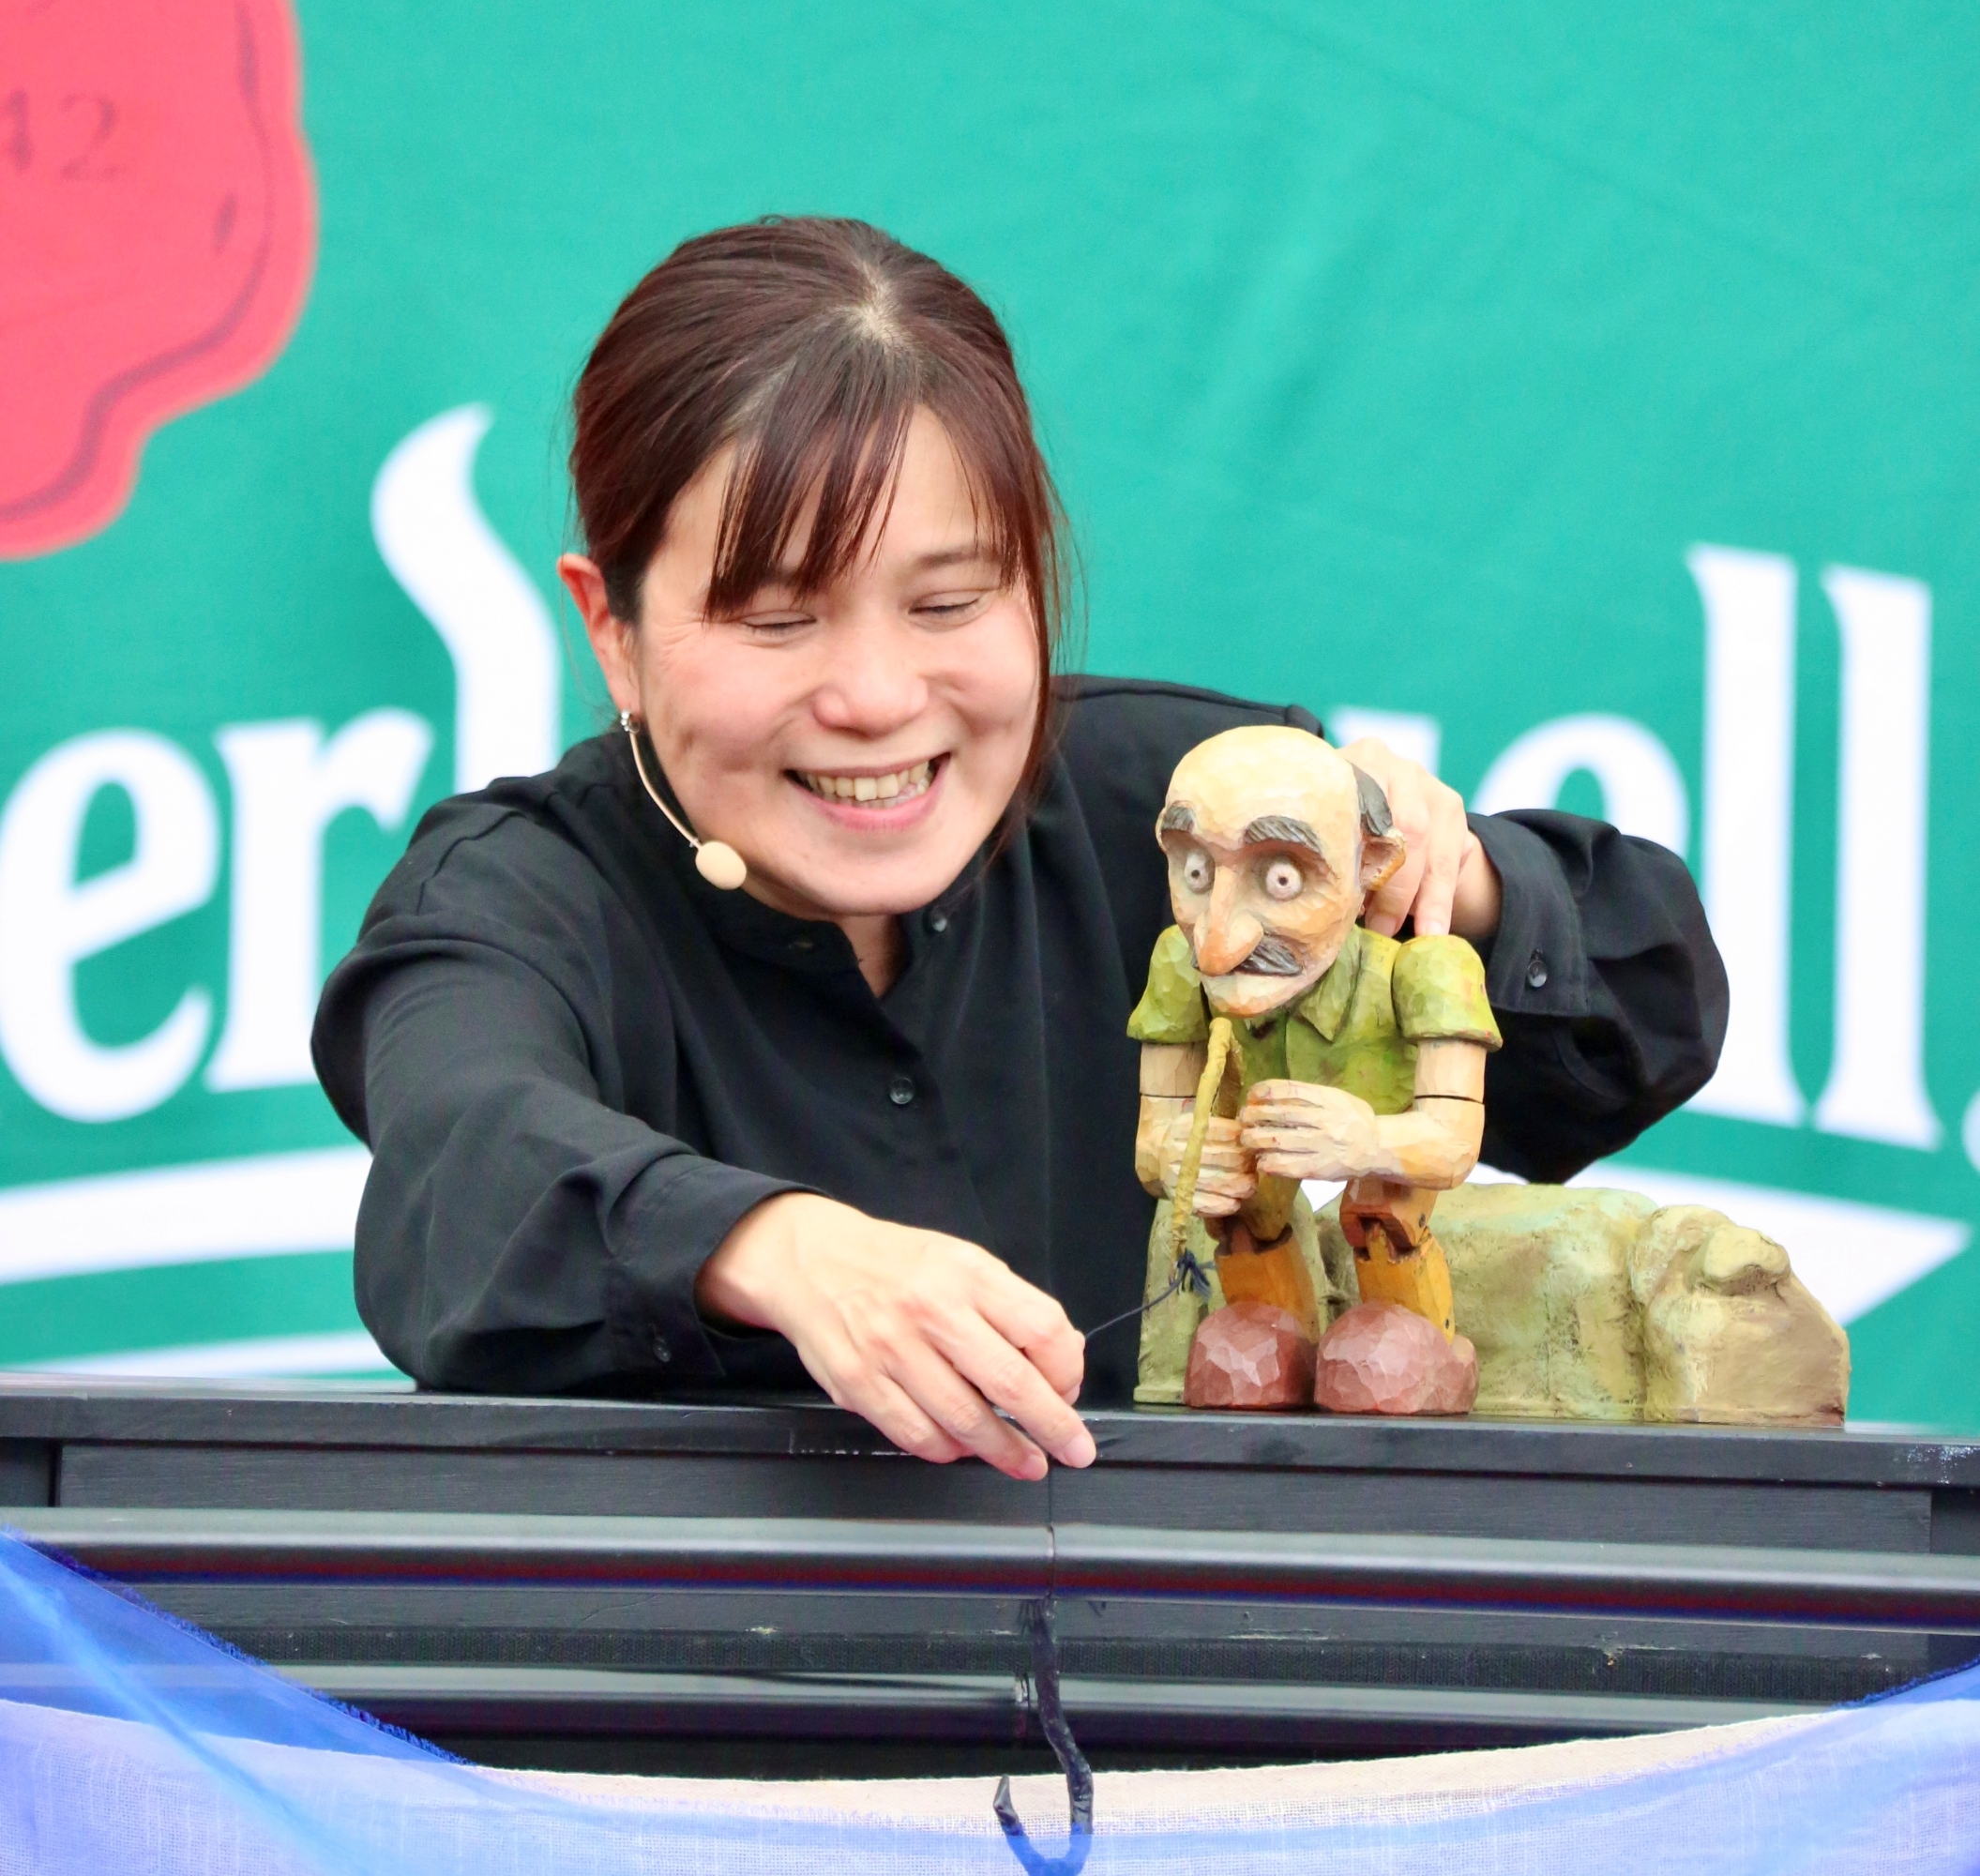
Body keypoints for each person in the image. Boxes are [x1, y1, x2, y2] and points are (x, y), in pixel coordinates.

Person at [312, 217, 1728, 1483]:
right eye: (779, 620)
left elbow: (1643, 1019)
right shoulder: (512, 895)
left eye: (947, 604)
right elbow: (464, 1170)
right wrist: (780, 1250)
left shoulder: (1190, 807)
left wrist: (1447, 881)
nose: (876, 699)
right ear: (610, 630)